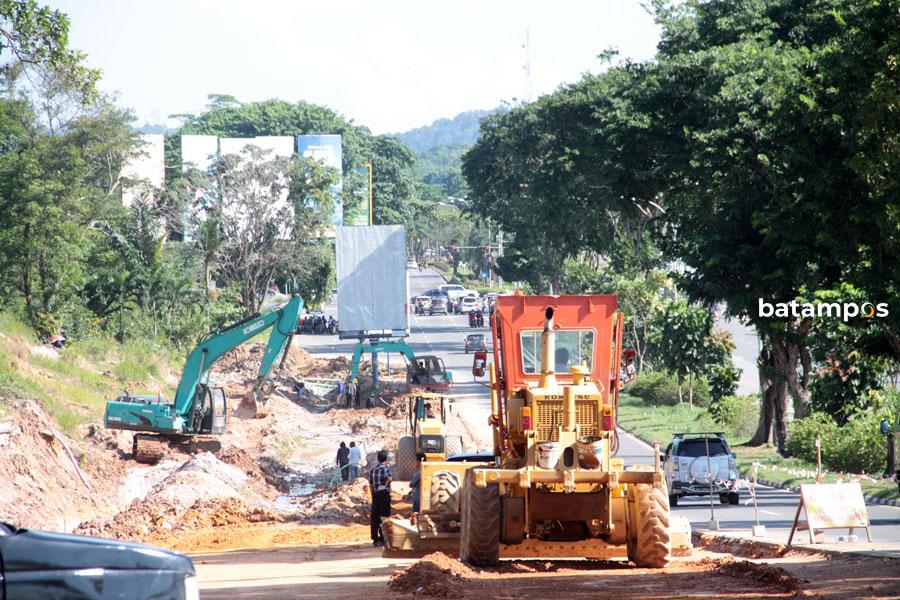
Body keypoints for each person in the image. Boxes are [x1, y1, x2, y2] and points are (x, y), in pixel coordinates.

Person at [369, 450, 392, 547]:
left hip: (375, 494)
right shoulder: (386, 469)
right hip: (384, 493)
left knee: (375, 516)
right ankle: (383, 538)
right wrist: (386, 485)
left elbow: (370, 484)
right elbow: (390, 479)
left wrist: (373, 493)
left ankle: (375, 539)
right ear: (386, 459)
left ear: (378, 459)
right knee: (384, 516)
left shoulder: (373, 470)